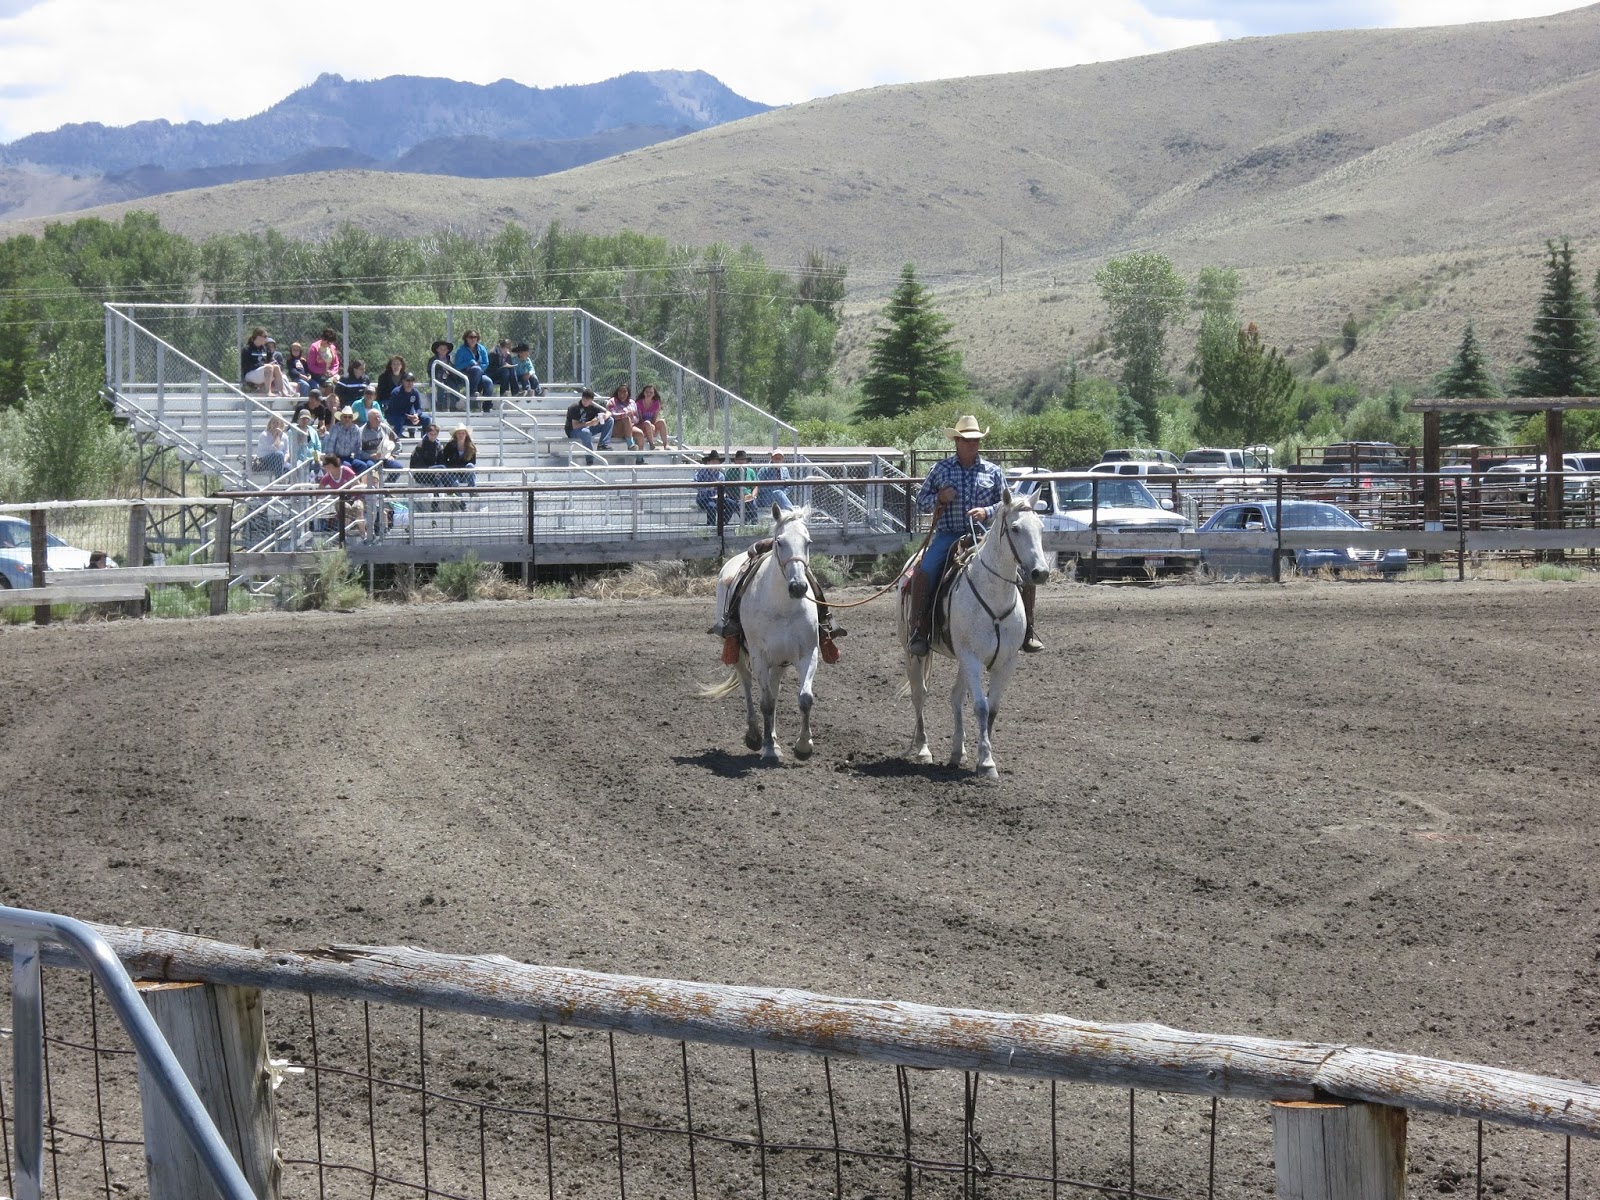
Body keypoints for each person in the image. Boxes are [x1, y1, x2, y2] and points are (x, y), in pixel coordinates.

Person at [907, 415, 1043, 656]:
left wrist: (987, 511)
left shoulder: (993, 471)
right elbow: (920, 502)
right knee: (925, 571)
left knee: (1024, 570)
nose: (973, 444)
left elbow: (1008, 505)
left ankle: (1027, 630)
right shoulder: (940, 470)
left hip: (985, 536)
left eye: (976, 440)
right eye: (968, 440)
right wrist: (939, 498)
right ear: (957, 441)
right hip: (949, 535)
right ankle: (920, 628)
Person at [565, 387, 614, 463]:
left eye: (588, 400)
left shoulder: (592, 406)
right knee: (586, 432)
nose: (585, 402)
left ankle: (603, 444)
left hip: (587, 427)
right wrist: (590, 423)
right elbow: (575, 426)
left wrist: (605, 416)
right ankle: (590, 458)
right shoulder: (574, 407)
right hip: (573, 431)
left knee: (610, 420)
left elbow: (609, 412)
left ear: (591, 400)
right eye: (584, 399)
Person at [451, 330, 495, 410]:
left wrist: (478, 367)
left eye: (475, 337)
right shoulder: (461, 350)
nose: (473, 339)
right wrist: (469, 362)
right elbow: (457, 366)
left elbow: (486, 363)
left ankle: (487, 406)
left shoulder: (482, 348)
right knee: (476, 368)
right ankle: (472, 392)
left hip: (479, 373)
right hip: (465, 374)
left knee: (489, 382)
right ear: (466, 338)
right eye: (470, 337)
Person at [408, 421, 448, 509]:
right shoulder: (421, 445)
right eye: (431, 434)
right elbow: (417, 463)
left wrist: (436, 471)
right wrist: (431, 469)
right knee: (442, 468)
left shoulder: (438, 446)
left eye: (435, 434)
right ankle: (451, 490)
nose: (433, 436)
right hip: (421, 473)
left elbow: (441, 461)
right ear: (427, 433)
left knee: (438, 477)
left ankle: (435, 505)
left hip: (434, 474)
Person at [240, 328, 288, 396]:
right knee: (268, 367)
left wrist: (273, 362)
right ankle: (268, 392)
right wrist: (264, 365)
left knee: (276, 367)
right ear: (258, 337)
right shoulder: (247, 349)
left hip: (264, 372)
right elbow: (246, 366)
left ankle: (283, 392)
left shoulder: (265, 349)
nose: (266, 339)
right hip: (250, 374)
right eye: (265, 336)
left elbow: (271, 360)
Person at [383, 371, 429, 437]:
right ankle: (396, 440)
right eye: (408, 380)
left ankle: (425, 439)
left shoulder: (415, 392)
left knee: (426, 419)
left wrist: (416, 415)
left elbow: (419, 408)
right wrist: (408, 416)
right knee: (399, 419)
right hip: (394, 416)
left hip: (408, 417)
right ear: (403, 381)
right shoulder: (396, 393)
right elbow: (394, 411)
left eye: (412, 380)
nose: (410, 383)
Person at [607, 384, 647, 459]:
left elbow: (637, 418)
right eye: (620, 391)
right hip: (616, 428)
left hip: (629, 426)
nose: (622, 394)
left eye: (624, 391)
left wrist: (632, 417)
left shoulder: (632, 402)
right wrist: (624, 415)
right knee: (626, 419)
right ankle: (630, 444)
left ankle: (640, 459)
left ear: (628, 393)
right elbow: (611, 415)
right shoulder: (612, 401)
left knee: (640, 434)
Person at [694, 450, 733, 525]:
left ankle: (722, 523)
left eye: (717, 461)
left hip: (718, 498)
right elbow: (694, 484)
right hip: (704, 498)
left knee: (731, 503)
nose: (715, 463)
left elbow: (724, 488)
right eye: (713, 461)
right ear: (708, 462)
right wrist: (707, 487)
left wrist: (722, 493)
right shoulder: (701, 473)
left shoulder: (721, 475)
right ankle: (711, 526)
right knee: (712, 506)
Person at [359, 407, 402, 473]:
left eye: (379, 417)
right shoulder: (361, 431)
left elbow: (397, 441)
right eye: (375, 418)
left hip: (385, 458)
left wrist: (393, 455)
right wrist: (369, 456)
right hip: (370, 459)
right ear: (369, 419)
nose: (378, 419)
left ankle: (389, 480)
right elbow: (358, 450)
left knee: (398, 468)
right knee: (371, 467)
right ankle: (374, 480)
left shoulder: (385, 428)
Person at [441, 423, 478, 492]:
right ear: (456, 435)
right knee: (455, 484)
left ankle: (472, 490)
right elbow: (444, 459)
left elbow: (473, 462)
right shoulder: (450, 445)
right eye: (459, 433)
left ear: (466, 434)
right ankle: (459, 498)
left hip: (466, 474)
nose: (461, 435)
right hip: (454, 473)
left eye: (463, 433)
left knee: (470, 466)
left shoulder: (471, 447)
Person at [727, 449, 759, 523]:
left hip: (748, 497)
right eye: (738, 460)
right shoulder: (730, 472)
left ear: (746, 461)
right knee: (736, 504)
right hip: (735, 498)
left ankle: (755, 523)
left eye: (743, 459)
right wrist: (736, 497)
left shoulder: (751, 471)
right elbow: (727, 488)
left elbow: (755, 487)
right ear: (735, 461)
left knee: (753, 504)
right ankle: (745, 522)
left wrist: (752, 496)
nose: (741, 461)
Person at [634, 383, 668, 450]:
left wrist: (652, 426)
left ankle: (665, 445)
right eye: (647, 392)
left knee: (662, 421)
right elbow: (640, 419)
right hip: (642, 425)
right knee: (647, 423)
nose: (648, 394)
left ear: (654, 394)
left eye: (651, 392)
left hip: (651, 425)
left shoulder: (656, 403)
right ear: (644, 393)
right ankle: (652, 445)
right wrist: (649, 426)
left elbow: (654, 418)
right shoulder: (639, 403)